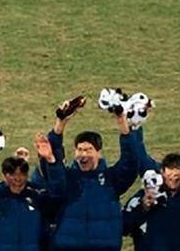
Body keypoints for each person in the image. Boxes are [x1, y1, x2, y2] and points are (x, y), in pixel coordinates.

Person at [47, 98, 146, 251]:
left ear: (99, 153)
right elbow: (52, 159)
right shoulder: (68, 179)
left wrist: (122, 121)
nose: (83, 154)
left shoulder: (111, 179)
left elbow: (130, 162)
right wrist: (60, 122)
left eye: (88, 150)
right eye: (80, 149)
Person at [0, 132, 63, 251]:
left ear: (27, 175)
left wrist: (50, 159)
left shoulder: (37, 196)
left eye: (21, 174)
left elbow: (58, 195)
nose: (17, 179)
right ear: (4, 176)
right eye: (12, 174)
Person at [121, 153, 180, 251]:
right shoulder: (143, 197)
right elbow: (123, 227)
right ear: (162, 172)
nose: (173, 176)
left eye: (178, 171)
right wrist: (143, 208)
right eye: (170, 170)